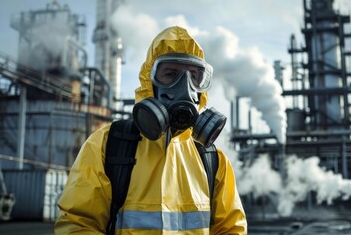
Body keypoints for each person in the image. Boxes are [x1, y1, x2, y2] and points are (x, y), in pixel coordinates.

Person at [55, 26, 247, 234]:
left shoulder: (212, 160)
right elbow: (78, 225)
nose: (185, 86)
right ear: (150, 80)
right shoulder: (107, 145)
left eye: (193, 76)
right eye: (170, 74)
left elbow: (230, 229)